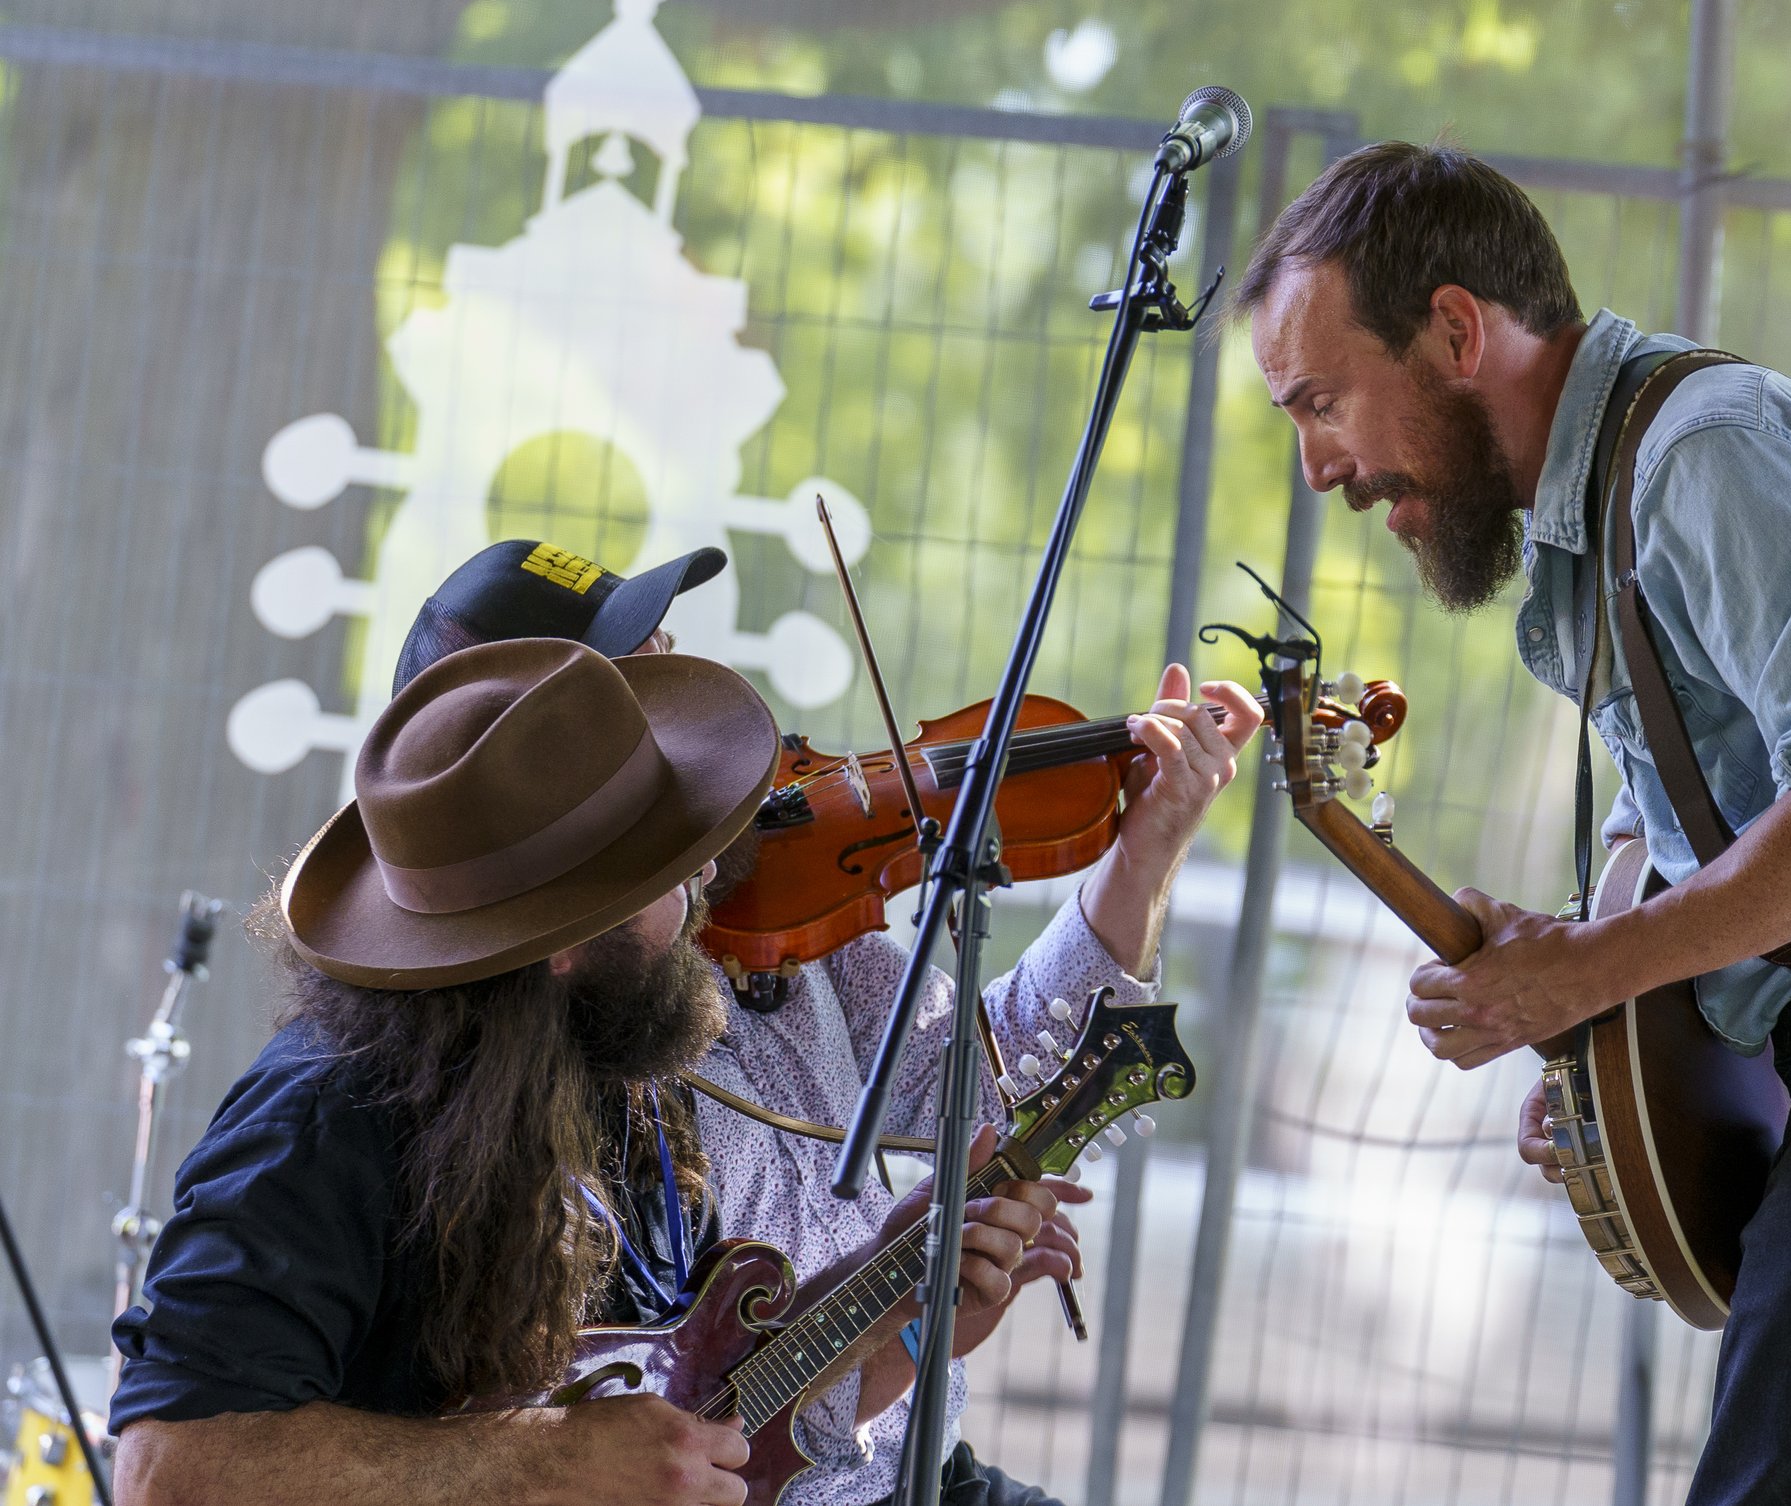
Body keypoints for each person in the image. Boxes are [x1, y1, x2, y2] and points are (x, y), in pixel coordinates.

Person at [1239, 140, 1791, 1505]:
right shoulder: (1602, 498)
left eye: (1320, 401)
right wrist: (1601, 1029)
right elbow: (1698, 837)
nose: (1319, 468)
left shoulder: (1706, 456)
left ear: (1456, 329)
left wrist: (1597, 968)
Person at [385, 538, 1263, 1505]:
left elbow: (982, 1080)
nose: (682, 706)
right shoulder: (524, 1059)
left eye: (667, 661)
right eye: (636, 693)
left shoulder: (796, 922)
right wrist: (902, 1306)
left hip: (916, 1466)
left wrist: (1146, 848)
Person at [109, 636, 1067, 1506]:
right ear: (563, 941)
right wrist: (537, 1460)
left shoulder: (604, 1047)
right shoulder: (324, 1114)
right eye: (667, 873)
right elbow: (169, 1467)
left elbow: (682, 1397)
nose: (702, 894)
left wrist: (884, 1284)